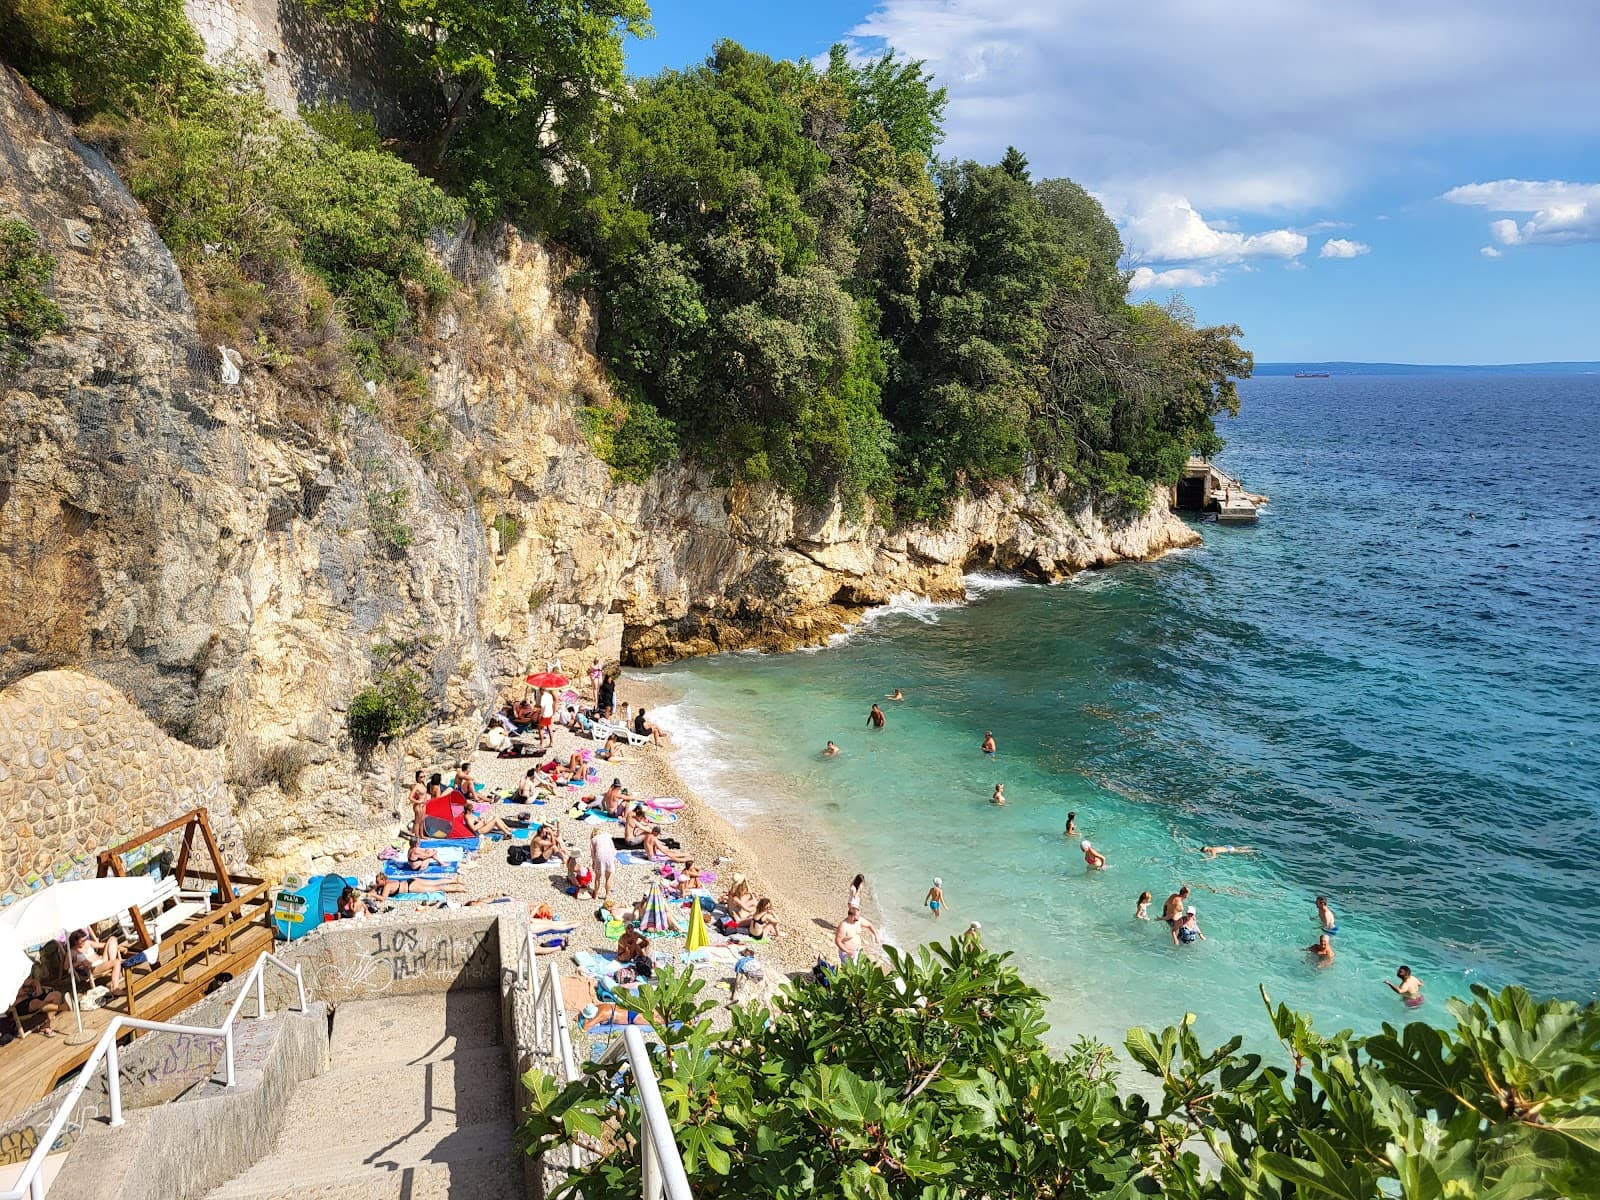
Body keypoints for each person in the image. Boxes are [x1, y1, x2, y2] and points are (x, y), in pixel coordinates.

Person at [69, 930, 124, 994]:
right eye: (82, 941)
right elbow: (67, 967)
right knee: (116, 962)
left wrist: (118, 947)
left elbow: (103, 945)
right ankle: (115, 988)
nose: (84, 942)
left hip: (102, 961)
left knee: (112, 939)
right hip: (92, 968)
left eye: (85, 939)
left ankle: (115, 969)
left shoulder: (87, 942)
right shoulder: (72, 952)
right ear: (75, 941)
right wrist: (80, 963)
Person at [591, 826, 618, 903]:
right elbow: (614, 850)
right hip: (609, 855)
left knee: (597, 877)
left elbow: (593, 854)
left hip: (599, 856)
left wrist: (593, 863)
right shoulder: (607, 837)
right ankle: (607, 895)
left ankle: (596, 894)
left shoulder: (593, 840)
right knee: (608, 878)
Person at [407, 770, 428, 841]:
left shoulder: (423, 784)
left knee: (422, 821)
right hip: (418, 806)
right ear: (417, 778)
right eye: (421, 777)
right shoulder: (417, 786)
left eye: (424, 776)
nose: (423, 778)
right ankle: (417, 837)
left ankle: (421, 835)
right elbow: (410, 797)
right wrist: (418, 801)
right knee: (417, 822)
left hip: (424, 805)